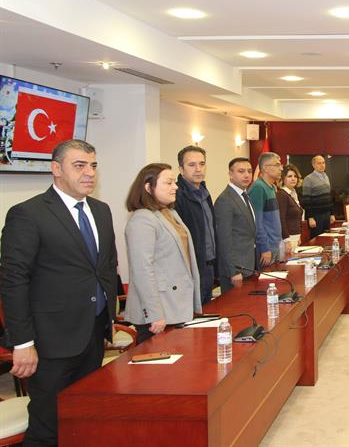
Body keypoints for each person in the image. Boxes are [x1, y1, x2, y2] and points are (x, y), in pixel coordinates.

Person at [0, 139, 118, 446]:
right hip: (50, 341)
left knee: (83, 418)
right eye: (79, 166)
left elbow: (106, 267)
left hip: (92, 334)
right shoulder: (29, 214)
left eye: (93, 166)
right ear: (56, 169)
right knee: (48, 427)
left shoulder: (101, 211)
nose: (89, 173)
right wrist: (23, 342)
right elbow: (14, 281)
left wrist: (108, 318)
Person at [124, 163, 202, 342]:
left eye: (174, 182)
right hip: (159, 313)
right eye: (168, 183)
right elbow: (143, 270)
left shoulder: (170, 213)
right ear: (148, 187)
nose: (175, 187)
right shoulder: (142, 219)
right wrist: (154, 313)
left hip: (177, 304)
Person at [174, 145, 216, 304]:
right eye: (192, 165)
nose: (198, 169)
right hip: (191, 269)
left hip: (209, 266)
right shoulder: (177, 196)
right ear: (181, 169)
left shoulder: (204, 192)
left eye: (202, 164)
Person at [214, 157, 257, 294]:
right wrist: (233, 271)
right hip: (236, 270)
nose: (247, 175)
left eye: (249, 171)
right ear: (231, 174)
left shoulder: (244, 195)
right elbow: (224, 239)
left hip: (248, 265)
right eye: (241, 171)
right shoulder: (225, 200)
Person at [248, 152, 284, 269]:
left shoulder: (271, 187)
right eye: (277, 165)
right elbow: (257, 222)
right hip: (266, 248)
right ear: (265, 168)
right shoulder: (258, 187)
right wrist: (264, 248)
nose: (281, 168)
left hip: (275, 244)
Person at [302, 154, 335, 238]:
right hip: (316, 216)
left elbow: (329, 197)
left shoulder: (326, 177)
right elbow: (306, 200)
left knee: (326, 239)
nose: (322, 165)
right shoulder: (308, 179)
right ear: (313, 165)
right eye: (319, 163)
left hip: (327, 214)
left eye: (323, 163)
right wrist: (310, 217)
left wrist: (332, 214)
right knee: (316, 240)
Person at [277, 163, 305, 250]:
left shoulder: (293, 194)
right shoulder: (282, 194)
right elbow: (281, 219)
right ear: (283, 178)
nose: (293, 179)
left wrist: (299, 236)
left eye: (295, 176)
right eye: (289, 176)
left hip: (295, 236)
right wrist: (286, 240)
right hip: (287, 238)